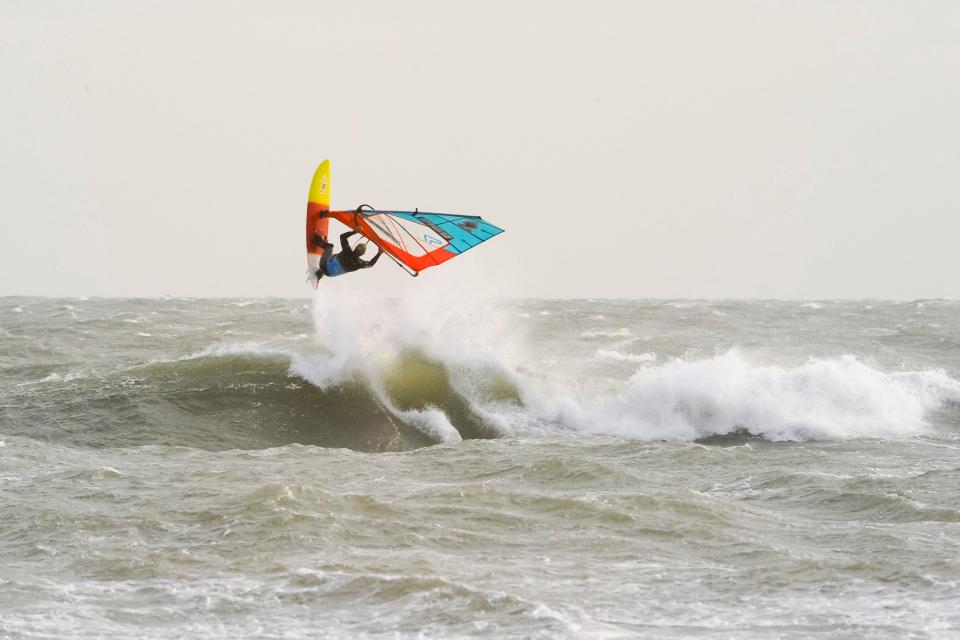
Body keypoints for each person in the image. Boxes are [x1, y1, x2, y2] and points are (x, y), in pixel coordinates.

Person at [315, 230, 383, 279]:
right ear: (362, 254)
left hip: (323, 265)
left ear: (355, 247)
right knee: (335, 262)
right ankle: (320, 273)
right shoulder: (359, 263)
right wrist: (379, 253)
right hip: (329, 274)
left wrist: (355, 231)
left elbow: (342, 236)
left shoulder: (347, 250)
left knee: (330, 247)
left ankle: (316, 241)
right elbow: (371, 264)